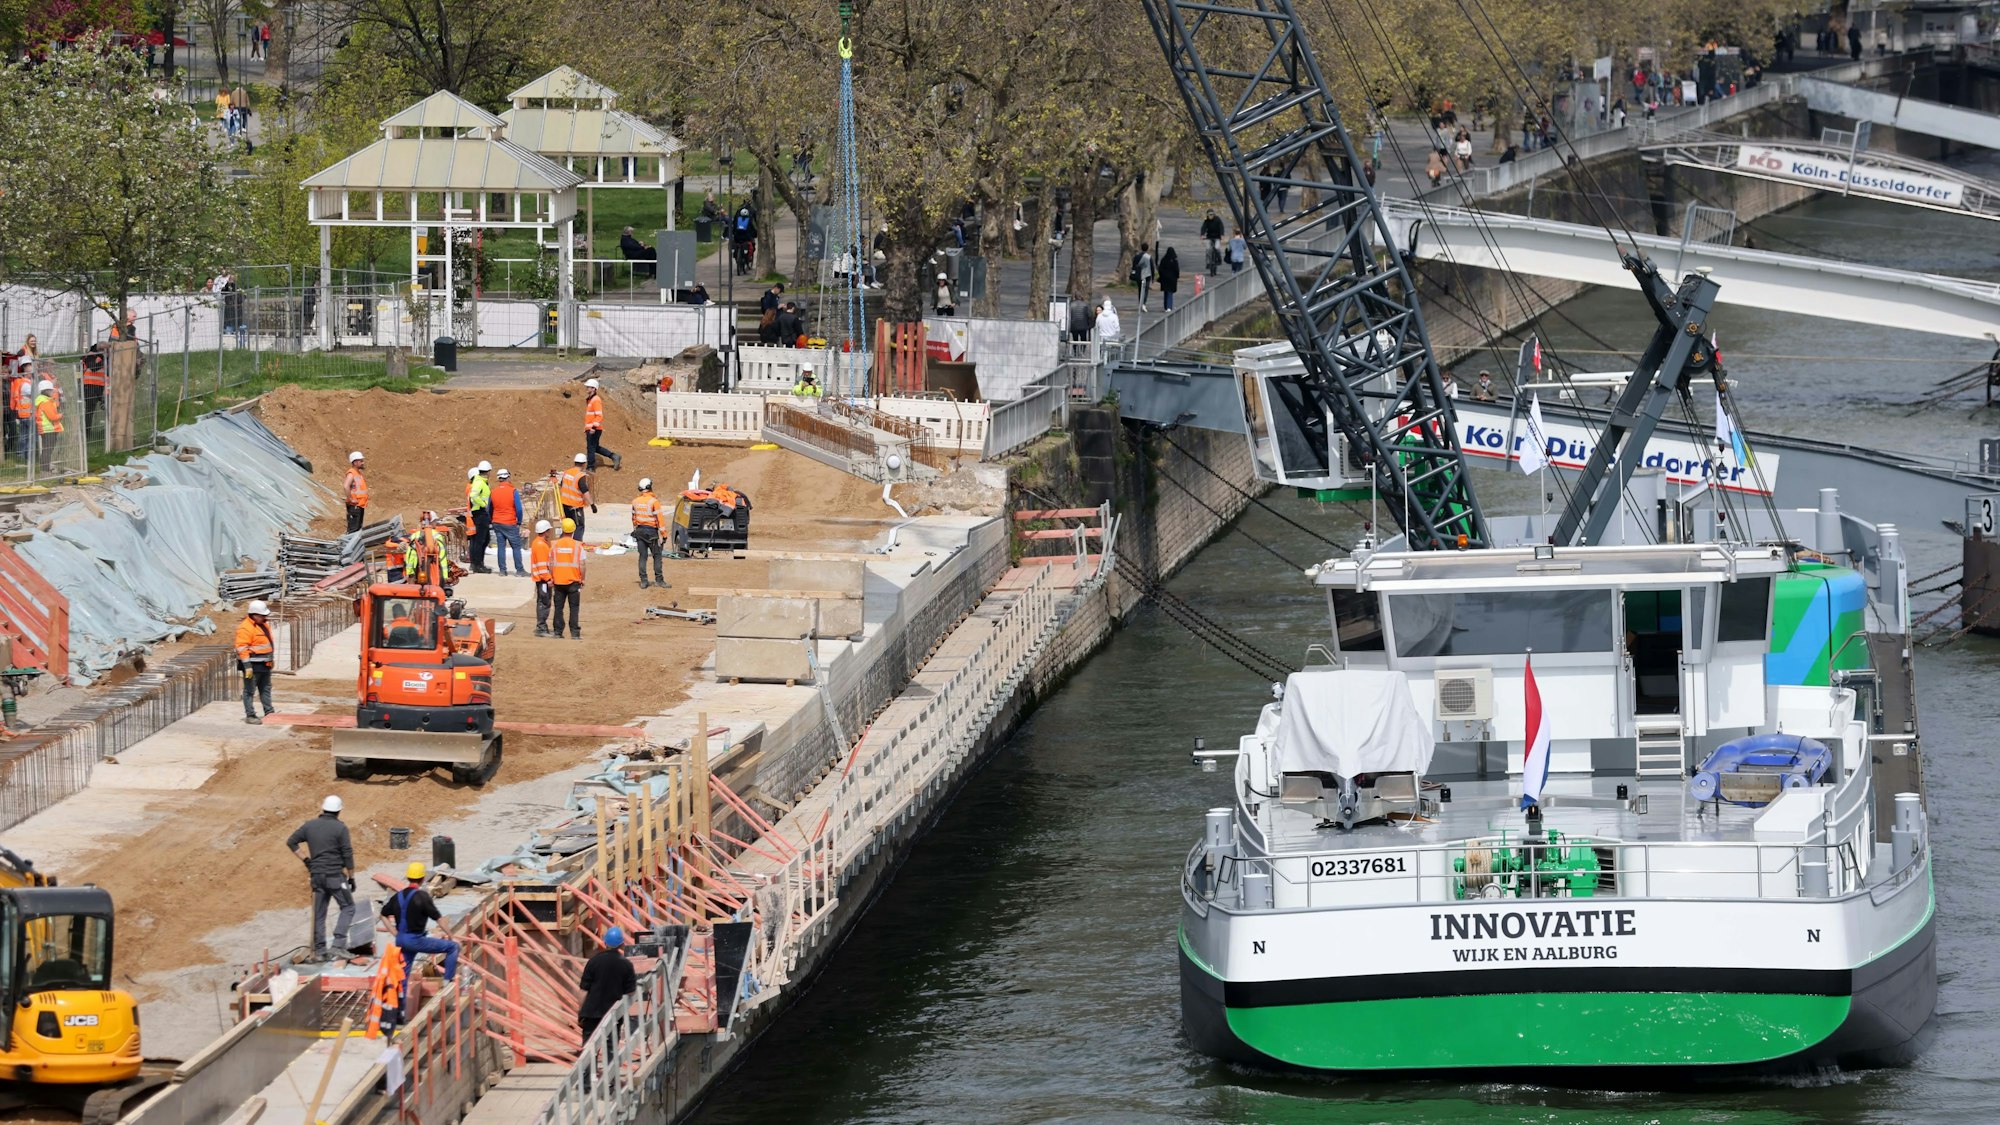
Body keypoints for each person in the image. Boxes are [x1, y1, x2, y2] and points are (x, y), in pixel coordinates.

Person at [287, 795, 355, 962]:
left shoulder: (310, 826)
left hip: (316, 876)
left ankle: (320, 951)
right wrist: (351, 876)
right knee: (348, 907)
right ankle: (338, 945)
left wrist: (306, 860)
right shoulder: (340, 828)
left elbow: (291, 842)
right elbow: (347, 853)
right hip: (335, 875)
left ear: (323, 808)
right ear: (339, 811)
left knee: (319, 913)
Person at [380, 863, 459, 984]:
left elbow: (383, 915)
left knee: (403, 977)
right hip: (416, 940)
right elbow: (439, 919)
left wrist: (395, 932)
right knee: (453, 947)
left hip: (401, 939)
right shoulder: (422, 896)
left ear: (408, 878)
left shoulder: (398, 896)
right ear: (423, 879)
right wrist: (451, 936)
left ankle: (400, 1000)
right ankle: (447, 981)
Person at [577, 927, 638, 1040]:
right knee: (611, 1048)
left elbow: (583, 991)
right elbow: (631, 992)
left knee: (588, 1049)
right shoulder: (626, 965)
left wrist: (581, 1011)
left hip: (591, 1013)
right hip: (613, 1013)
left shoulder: (593, 962)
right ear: (621, 944)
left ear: (605, 942)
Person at [236, 599, 276, 724]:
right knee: (249, 690)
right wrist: (247, 666)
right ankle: (250, 715)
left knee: (265, 688)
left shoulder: (263, 624)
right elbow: (242, 648)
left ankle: (269, 711)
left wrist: (270, 658)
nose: (265, 618)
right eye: (263, 616)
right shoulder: (245, 628)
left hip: (264, 663)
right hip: (252, 665)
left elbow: (266, 643)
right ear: (254, 615)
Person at [550, 517, 585, 639]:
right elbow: (582, 564)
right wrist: (582, 578)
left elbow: (551, 563)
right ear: (573, 530)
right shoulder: (578, 545)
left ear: (562, 530)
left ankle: (557, 632)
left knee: (558, 608)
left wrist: (552, 578)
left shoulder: (555, 544)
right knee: (574, 608)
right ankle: (575, 633)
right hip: (574, 581)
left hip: (558, 581)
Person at [631, 478, 666, 589]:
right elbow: (660, 519)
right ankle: (659, 580)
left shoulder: (635, 501)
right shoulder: (654, 502)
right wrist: (664, 534)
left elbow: (633, 518)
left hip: (640, 531)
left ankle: (644, 581)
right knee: (657, 556)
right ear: (650, 487)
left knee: (643, 556)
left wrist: (636, 529)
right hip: (651, 532)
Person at [581, 378, 621, 473]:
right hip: (591, 428)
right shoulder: (591, 400)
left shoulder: (596, 400)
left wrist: (593, 428)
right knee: (595, 447)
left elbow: (599, 415)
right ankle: (614, 456)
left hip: (594, 429)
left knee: (591, 448)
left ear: (594, 389)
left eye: (588, 387)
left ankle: (590, 467)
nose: (586, 388)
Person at [490, 468, 525, 577]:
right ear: (508, 477)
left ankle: (502, 570)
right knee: (516, 546)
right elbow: (519, 509)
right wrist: (519, 521)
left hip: (497, 522)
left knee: (501, 546)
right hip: (509, 522)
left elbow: (489, 508)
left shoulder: (493, 491)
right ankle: (519, 570)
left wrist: (493, 518)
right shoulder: (513, 491)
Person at [559, 454, 594, 541]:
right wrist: (592, 504)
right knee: (579, 526)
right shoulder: (580, 476)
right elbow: (585, 491)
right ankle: (576, 545)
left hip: (565, 504)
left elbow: (562, 485)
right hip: (575, 506)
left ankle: (562, 543)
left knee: (567, 526)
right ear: (584, 464)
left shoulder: (567, 472)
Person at [466, 460, 493, 573]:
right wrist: (483, 504)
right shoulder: (480, 482)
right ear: (488, 471)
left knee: (484, 539)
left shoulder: (482, 481)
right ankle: (477, 564)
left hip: (481, 513)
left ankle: (478, 563)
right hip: (480, 513)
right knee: (480, 540)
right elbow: (473, 496)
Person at [529, 519, 555, 636]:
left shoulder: (539, 543)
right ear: (545, 531)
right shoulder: (540, 545)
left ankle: (541, 627)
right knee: (544, 602)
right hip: (543, 580)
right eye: (548, 530)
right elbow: (542, 566)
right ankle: (541, 627)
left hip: (541, 579)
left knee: (543, 601)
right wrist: (548, 579)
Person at [31, 379, 60, 473]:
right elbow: (52, 416)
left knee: (46, 448)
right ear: (47, 391)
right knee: (48, 448)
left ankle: (45, 467)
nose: (53, 392)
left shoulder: (41, 401)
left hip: (45, 428)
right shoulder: (46, 402)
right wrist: (61, 415)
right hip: (49, 428)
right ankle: (45, 468)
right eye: (51, 390)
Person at [343, 451, 368, 533]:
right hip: (354, 505)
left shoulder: (358, 474)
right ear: (355, 462)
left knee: (357, 528)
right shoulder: (351, 473)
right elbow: (346, 486)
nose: (362, 462)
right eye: (361, 461)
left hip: (360, 505)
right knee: (353, 529)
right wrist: (351, 499)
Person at [1199, 210, 1225, 275]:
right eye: (1209, 215)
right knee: (1208, 249)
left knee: (1217, 248)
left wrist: (1222, 235)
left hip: (1217, 237)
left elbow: (1221, 227)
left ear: (1214, 214)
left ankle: (1219, 260)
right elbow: (1203, 228)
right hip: (1209, 237)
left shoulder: (1218, 220)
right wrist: (1202, 235)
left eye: (1211, 214)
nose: (1210, 216)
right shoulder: (1206, 221)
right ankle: (1208, 262)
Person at [1157, 247, 1181, 312]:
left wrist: (1161, 275)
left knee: (1165, 293)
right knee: (1170, 293)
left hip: (1164, 279)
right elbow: (1177, 270)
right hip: (1172, 279)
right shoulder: (1174, 261)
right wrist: (1177, 276)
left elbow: (1160, 269)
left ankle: (1165, 306)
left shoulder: (1163, 260)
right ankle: (1169, 307)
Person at [1132, 246, 1154, 311]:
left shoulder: (1137, 256)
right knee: (1146, 290)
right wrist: (1152, 277)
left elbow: (1134, 266)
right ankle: (1144, 304)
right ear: (1147, 249)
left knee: (1140, 290)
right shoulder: (1149, 257)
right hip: (1147, 275)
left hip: (1139, 276)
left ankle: (1140, 303)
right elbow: (1152, 267)